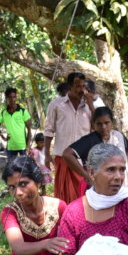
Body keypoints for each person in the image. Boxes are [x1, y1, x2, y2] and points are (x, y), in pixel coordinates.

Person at [44, 72, 93, 204]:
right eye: (77, 86)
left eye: (83, 86)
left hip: (83, 161)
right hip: (63, 159)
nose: (81, 90)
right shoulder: (56, 104)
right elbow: (48, 130)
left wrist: (91, 105)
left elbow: (96, 128)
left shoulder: (88, 106)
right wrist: (46, 154)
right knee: (64, 197)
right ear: (70, 86)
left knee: (85, 197)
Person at [63, 106, 128, 194]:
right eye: (99, 124)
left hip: (124, 182)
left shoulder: (118, 136)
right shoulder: (89, 140)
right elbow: (67, 154)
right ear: (93, 124)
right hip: (101, 187)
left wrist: (125, 162)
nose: (103, 127)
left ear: (112, 122)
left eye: (106, 123)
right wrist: (86, 175)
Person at [0, 86, 32, 157]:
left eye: (14, 97)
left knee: (24, 164)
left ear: (16, 97)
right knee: (11, 164)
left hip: (23, 147)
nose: (12, 99)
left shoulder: (23, 112)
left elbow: (29, 129)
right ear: (6, 98)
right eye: (10, 97)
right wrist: (3, 138)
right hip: (10, 147)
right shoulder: (3, 113)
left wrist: (28, 145)